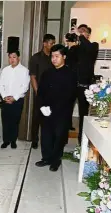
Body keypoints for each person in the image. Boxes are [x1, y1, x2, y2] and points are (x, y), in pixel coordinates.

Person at [35, 44, 77, 172]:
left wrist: (55, 109)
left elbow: (70, 96)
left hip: (61, 112)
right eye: (52, 56)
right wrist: (42, 106)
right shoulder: (47, 73)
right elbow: (40, 92)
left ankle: (55, 160)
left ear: (64, 57)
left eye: (57, 56)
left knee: (58, 137)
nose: (54, 59)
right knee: (46, 136)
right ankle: (46, 158)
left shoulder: (70, 74)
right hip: (46, 111)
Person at [73, 24, 99, 145]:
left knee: (83, 115)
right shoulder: (77, 47)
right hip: (72, 85)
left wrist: (81, 37)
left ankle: (81, 142)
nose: (81, 34)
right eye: (80, 32)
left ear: (88, 34)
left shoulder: (93, 46)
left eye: (84, 32)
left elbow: (88, 49)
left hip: (84, 87)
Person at [0, 50, 30, 149]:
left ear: (18, 58)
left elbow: (25, 87)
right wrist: (4, 96)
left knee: (15, 121)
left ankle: (13, 140)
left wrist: (14, 98)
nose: (12, 59)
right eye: (10, 57)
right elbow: (1, 84)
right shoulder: (5, 70)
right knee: (5, 121)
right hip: (5, 99)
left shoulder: (24, 70)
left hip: (17, 100)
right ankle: (6, 141)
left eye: (14, 57)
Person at [29, 34, 55, 149]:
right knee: (37, 117)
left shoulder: (54, 58)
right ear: (44, 43)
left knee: (50, 118)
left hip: (52, 93)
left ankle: (49, 139)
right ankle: (34, 139)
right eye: (51, 43)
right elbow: (33, 77)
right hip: (40, 93)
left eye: (53, 43)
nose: (52, 45)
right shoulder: (36, 57)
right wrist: (38, 92)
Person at [65, 33, 79, 131]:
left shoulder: (69, 51)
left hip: (69, 81)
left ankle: (67, 123)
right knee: (70, 105)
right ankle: (68, 124)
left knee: (68, 105)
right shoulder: (78, 50)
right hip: (75, 80)